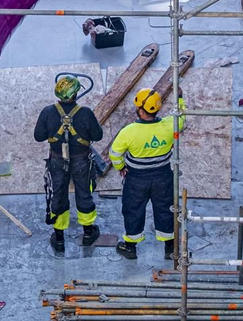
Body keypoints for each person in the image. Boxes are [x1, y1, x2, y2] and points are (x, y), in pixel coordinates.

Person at [33, 73, 105, 251]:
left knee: (58, 194)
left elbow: (39, 136)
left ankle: (59, 238)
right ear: (75, 94)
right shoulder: (85, 113)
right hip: (81, 160)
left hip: (57, 160)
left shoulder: (48, 112)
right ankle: (88, 232)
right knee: (84, 193)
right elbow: (98, 135)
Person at [108, 88, 180, 262]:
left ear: (141, 110)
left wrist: (121, 167)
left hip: (136, 179)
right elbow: (182, 117)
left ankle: (130, 247)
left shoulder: (128, 132)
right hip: (163, 177)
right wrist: (180, 99)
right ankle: (170, 247)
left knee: (133, 210)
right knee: (166, 209)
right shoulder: (170, 125)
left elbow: (115, 154)